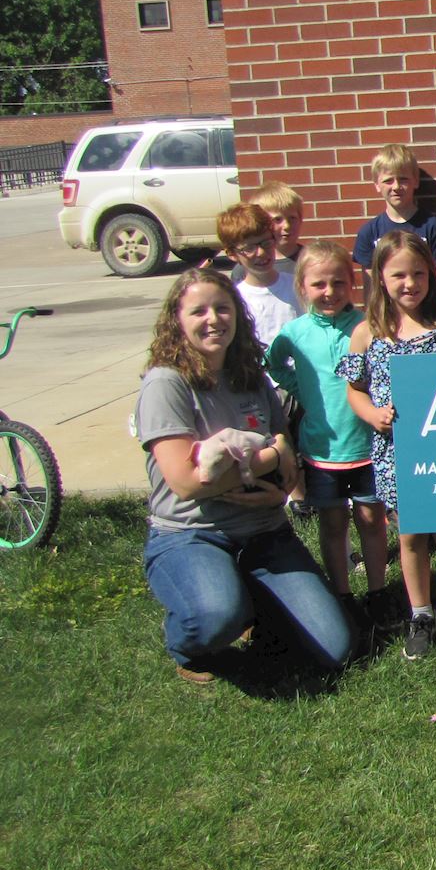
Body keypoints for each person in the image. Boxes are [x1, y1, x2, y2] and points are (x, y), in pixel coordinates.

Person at [137, 268, 350, 685]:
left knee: (336, 647)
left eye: (223, 308)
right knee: (214, 617)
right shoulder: (166, 384)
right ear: (176, 320)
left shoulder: (250, 375)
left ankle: (250, 601)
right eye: (199, 311)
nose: (214, 319)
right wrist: (266, 463)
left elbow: (285, 450)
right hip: (191, 531)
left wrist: (276, 487)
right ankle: (186, 641)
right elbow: (186, 483)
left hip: (265, 529)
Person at [337, 231, 436, 660]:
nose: (410, 283)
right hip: (396, 454)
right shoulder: (367, 333)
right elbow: (354, 390)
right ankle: (420, 613)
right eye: (399, 275)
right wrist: (372, 413)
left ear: (431, 275)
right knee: (411, 536)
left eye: (418, 274)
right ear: (379, 277)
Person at [266, 242, 392, 626]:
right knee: (333, 524)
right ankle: (342, 594)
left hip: (368, 445)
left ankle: (378, 592)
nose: (329, 291)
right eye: (319, 283)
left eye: (339, 282)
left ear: (353, 283)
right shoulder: (295, 332)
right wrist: (301, 386)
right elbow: (273, 364)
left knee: (373, 521)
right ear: (302, 287)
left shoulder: (366, 325)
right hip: (322, 450)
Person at [352, 143, 436, 309]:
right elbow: (371, 292)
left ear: (415, 181)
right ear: (377, 185)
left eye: (403, 179)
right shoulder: (369, 233)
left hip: (428, 318)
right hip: (389, 322)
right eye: (388, 180)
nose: (396, 187)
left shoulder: (433, 227)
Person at [218, 202, 301, 359]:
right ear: (232, 254)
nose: (261, 252)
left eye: (266, 243)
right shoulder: (234, 299)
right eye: (249, 248)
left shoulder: (297, 286)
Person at [229, 181, 305, 284]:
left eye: (292, 218)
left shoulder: (312, 260)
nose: (287, 226)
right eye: (277, 219)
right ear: (261, 223)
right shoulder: (246, 268)